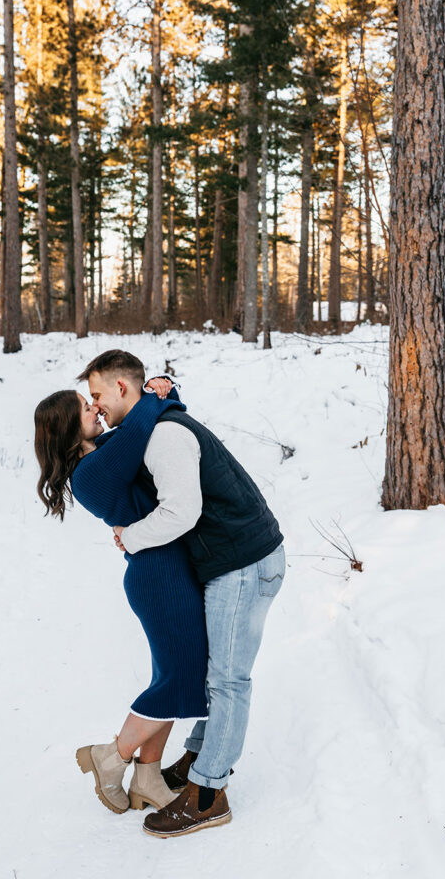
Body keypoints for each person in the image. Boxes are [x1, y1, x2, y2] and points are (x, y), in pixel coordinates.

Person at [79, 349, 286, 839]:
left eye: (97, 395)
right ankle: (199, 758)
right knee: (214, 675)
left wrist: (129, 537)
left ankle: (208, 794)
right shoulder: (150, 428)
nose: (96, 405)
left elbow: (181, 513)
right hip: (229, 561)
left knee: (227, 681)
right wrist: (163, 387)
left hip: (243, 564)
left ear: (121, 388)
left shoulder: (164, 436)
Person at [34, 363, 210, 820]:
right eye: (84, 407)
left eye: (92, 401)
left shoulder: (103, 451)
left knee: (171, 679)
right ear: (67, 426)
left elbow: (149, 421)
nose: (95, 408)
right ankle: (111, 756)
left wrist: (164, 392)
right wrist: (153, 394)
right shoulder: (90, 472)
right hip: (158, 578)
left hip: (166, 571)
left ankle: (147, 777)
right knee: (181, 679)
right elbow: (139, 426)